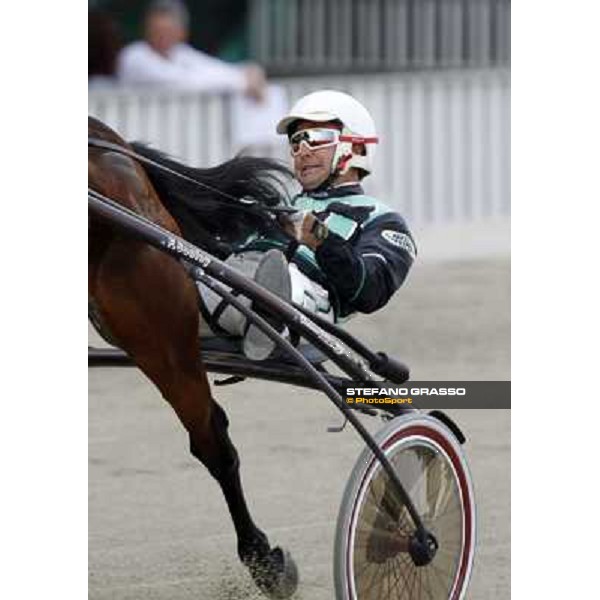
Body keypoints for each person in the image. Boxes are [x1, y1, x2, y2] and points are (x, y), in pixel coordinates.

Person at [199, 90, 416, 360]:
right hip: (223, 287)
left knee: (284, 276)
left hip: (305, 310)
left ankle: (267, 313)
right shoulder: (275, 204)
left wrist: (320, 238)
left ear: (356, 148)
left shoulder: (382, 219)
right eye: (296, 142)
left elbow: (370, 291)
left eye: (316, 139)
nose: (302, 150)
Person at [116, 0, 266, 101]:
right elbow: (180, 82)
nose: (161, 37)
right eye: (156, 31)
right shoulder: (133, 56)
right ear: (146, 29)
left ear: (181, 33)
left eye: (167, 31)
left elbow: (212, 68)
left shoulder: (181, 53)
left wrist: (246, 71)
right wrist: (241, 82)